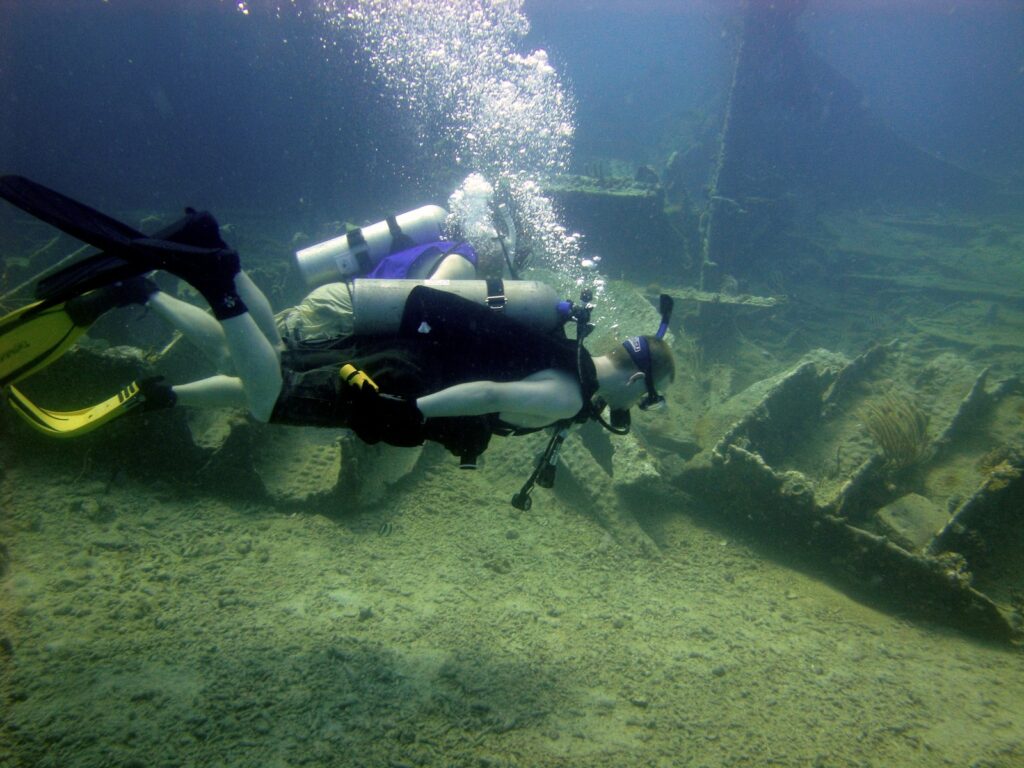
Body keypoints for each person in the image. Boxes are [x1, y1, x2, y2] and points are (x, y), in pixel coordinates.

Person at [0, 175, 675, 476]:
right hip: (366, 335)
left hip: (361, 320)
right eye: (645, 401)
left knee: (267, 361)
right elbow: (491, 397)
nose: (632, 412)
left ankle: (148, 286)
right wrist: (412, 411)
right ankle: (213, 275)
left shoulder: (557, 340)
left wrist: (173, 394)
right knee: (271, 395)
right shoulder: (566, 390)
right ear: (637, 381)